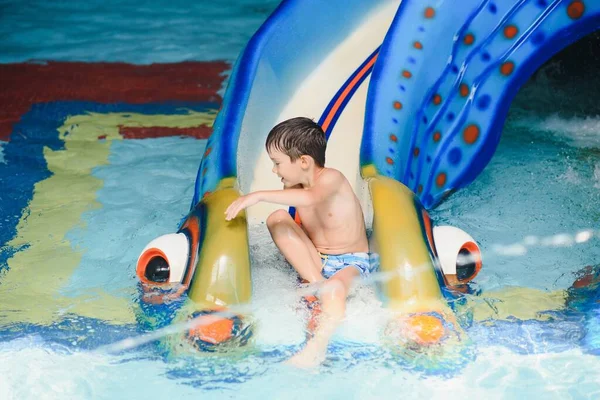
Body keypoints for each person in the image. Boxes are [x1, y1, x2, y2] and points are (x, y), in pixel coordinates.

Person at [225, 117, 375, 368]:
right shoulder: (298, 184)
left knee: (335, 289)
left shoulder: (331, 179)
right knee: (278, 218)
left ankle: (316, 348)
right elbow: (296, 204)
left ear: (304, 162)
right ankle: (315, 283)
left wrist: (258, 196)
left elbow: (311, 198)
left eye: (277, 163)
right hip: (317, 260)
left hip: (351, 262)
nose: (274, 170)